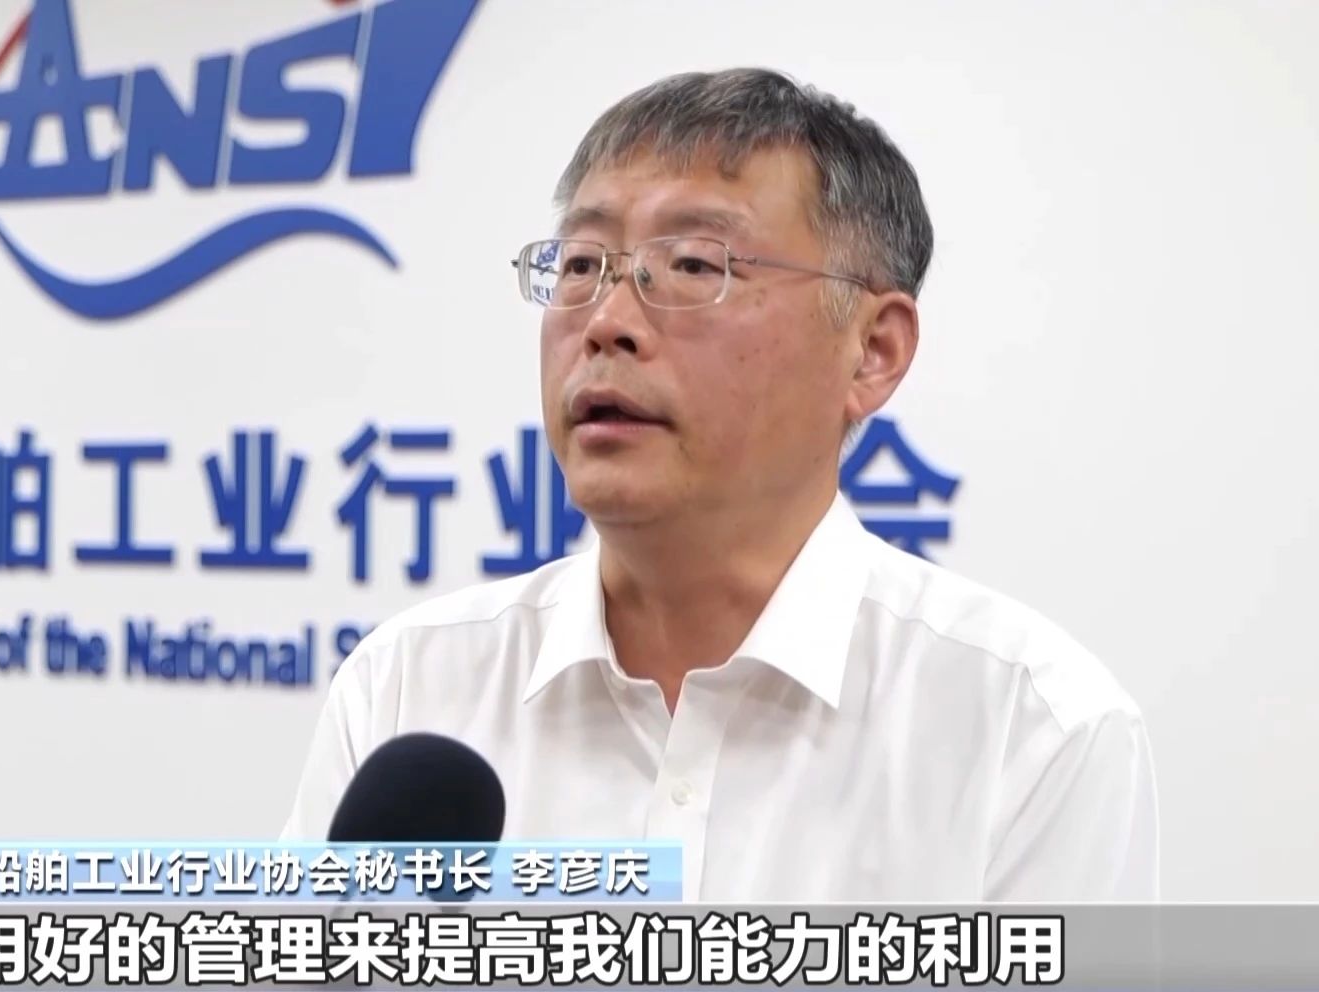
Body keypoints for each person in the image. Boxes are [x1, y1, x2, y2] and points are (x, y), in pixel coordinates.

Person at [280, 68, 1158, 902]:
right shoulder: (409, 687)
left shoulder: (1031, 734)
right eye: (581, 265)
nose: (607, 323)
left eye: (695, 266)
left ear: (873, 350)